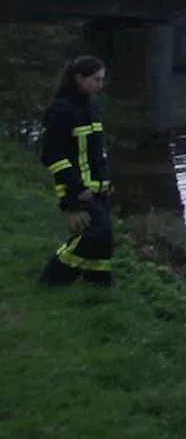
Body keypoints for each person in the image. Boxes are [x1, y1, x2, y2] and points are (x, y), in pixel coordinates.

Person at [38, 55, 115, 287]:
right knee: (95, 234)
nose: (99, 85)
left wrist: (106, 180)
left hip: (97, 189)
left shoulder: (90, 107)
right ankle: (53, 279)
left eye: (102, 80)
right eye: (95, 79)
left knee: (104, 239)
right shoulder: (61, 110)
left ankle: (98, 287)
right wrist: (75, 191)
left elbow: (96, 152)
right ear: (79, 78)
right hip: (77, 190)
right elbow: (52, 155)